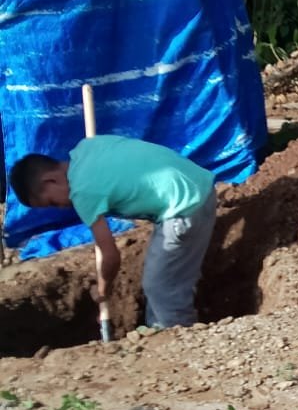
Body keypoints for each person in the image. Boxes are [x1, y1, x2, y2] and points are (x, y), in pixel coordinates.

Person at [9, 137, 217, 329]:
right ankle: (160, 331)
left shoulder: (82, 192)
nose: (60, 207)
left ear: (50, 181)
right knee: (166, 279)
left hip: (183, 208)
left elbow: (110, 255)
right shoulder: (86, 148)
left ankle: (178, 337)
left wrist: (103, 289)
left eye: (52, 202)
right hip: (198, 185)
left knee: (159, 285)